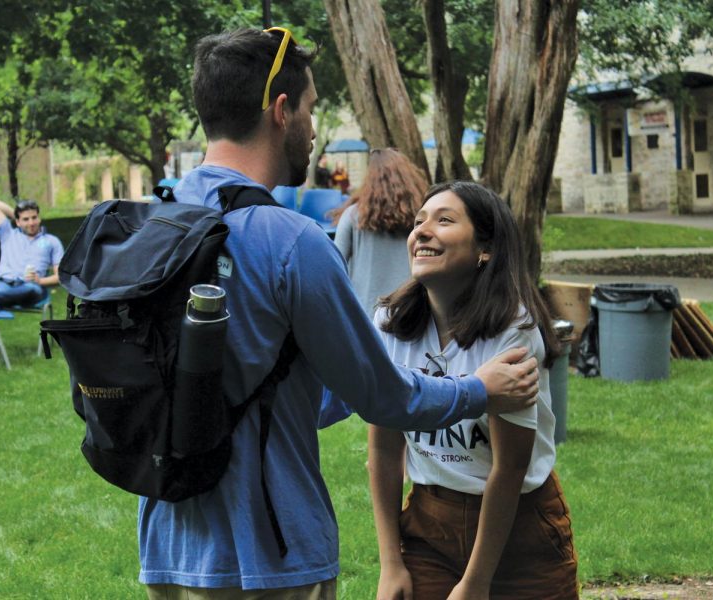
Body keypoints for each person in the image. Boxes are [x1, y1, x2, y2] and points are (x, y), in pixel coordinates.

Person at [139, 27, 542, 600]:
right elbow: (389, 400)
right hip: (270, 555)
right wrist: (479, 389)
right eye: (310, 109)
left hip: (167, 547)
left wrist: (345, 377)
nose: (311, 128)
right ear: (281, 111)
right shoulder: (293, 241)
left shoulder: (152, 226)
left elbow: (271, 390)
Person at [369, 181, 579, 600]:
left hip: (520, 525)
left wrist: (477, 581)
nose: (422, 231)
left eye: (444, 220)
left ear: (486, 249)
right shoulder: (390, 323)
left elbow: (509, 468)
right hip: (430, 524)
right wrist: (391, 563)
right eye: (419, 221)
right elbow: (384, 451)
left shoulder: (512, 331)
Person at [332, 148, 428, 315]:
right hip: (412, 312)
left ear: (369, 179)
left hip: (365, 316)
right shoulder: (422, 216)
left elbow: (333, 267)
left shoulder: (353, 215)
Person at [0, 198, 64, 313]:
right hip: (4, 284)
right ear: (17, 222)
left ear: (39, 218)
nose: (31, 223)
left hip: (32, 287)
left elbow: (61, 277)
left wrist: (40, 281)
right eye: (25, 219)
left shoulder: (52, 241)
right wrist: (17, 215)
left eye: (34, 217)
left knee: (29, 289)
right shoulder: (8, 234)